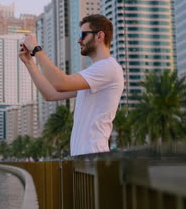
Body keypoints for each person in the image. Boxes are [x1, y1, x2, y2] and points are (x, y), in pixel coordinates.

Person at [19, 14, 124, 156]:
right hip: (85, 160)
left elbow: (60, 83)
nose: (79, 40)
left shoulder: (108, 68)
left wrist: (36, 49)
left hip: (95, 159)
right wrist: (29, 62)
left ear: (99, 36)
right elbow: (51, 94)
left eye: (83, 35)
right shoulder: (94, 73)